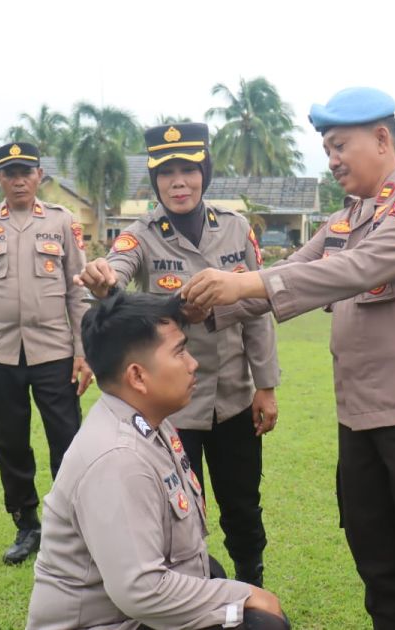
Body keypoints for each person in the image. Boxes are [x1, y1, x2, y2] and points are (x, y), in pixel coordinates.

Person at [180, 87, 395, 629]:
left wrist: (247, 281)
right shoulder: (345, 219)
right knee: (381, 570)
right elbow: (275, 286)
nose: (331, 159)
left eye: (338, 145)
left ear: (381, 139)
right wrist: (172, 310)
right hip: (360, 423)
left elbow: (359, 268)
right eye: (326, 148)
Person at [78, 122, 280, 586]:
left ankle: (251, 582)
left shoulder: (234, 229)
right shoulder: (140, 234)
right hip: (172, 408)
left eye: (188, 169)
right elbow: (118, 268)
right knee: (180, 510)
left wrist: (265, 387)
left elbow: (258, 311)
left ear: (204, 173)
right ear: (154, 181)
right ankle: (195, 593)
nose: (178, 182)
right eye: (166, 172)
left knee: (243, 505)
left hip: (233, 398)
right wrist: (105, 280)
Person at [26, 291, 289, 630]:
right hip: (105, 621)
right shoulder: (118, 459)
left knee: (211, 573)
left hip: (125, 612)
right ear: (137, 376)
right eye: (180, 351)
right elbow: (141, 591)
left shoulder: (149, 419)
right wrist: (241, 598)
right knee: (261, 623)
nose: (193, 363)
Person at [0, 142, 92, 565]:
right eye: (10, 173)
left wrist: (84, 352)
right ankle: (26, 524)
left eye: (25, 171)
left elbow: (77, 291)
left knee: (67, 442)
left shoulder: (62, 223)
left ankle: (72, 528)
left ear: (39, 175)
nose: (18, 180)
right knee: (9, 442)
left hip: (54, 354)